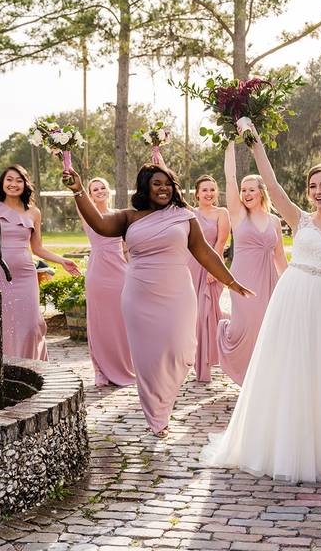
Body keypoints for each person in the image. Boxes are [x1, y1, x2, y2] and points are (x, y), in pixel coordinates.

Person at [201, 120, 321, 482]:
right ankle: (277, 442)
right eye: (313, 186)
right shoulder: (298, 220)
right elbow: (271, 183)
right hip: (289, 298)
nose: (318, 191)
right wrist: (253, 139)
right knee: (284, 367)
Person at [63, 163, 253, 438]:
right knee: (147, 359)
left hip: (177, 294)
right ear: (145, 187)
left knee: (180, 351)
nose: (163, 188)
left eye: (167, 183)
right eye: (156, 183)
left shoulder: (184, 216)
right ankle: (157, 417)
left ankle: (163, 405)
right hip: (139, 296)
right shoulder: (129, 217)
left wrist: (231, 282)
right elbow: (101, 225)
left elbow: (206, 253)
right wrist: (79, 190)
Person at [0, 140, 80, 361]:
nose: (13, 184)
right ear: (2, 184)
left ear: (25, 185)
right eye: (9, 180)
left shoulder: (34, 213)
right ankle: (6, 367)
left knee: (31, 325)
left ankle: (32, 366)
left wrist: (62, 261)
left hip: (26, 276)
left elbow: (37, 248)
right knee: (3, 323)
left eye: (18, 180)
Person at [217, 144, 287, 385]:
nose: (246, 194)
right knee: (244, 327)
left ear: (261, 193)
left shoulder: (274, 221)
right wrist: (228, 146)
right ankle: (239, 365)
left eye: (251, 190)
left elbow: (280, 258)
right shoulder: (237, 215)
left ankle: (259, 380)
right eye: (244, 190)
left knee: (265, 329)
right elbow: (229, 179)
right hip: (242, 281)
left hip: (269, 281)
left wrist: (290, 286)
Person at [81, 177, 135, 387]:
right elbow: (78, 195)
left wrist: (133, 269)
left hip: (120, 272)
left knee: (121, 321)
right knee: (98, 321)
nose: (100, 191)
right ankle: (100, 370)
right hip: (97, 272)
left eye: (103, 187)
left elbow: (127, 246)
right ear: (90, 194)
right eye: (95, 189)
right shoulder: (87, 213)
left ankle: (124, 365)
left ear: (109, 190)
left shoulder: (120, 215)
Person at [189, 175, 231, 382]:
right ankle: (197, 364)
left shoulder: (222, 213)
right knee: (193, 316)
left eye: (212, 189)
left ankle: (207, 364)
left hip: (212, 267)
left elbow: (221, 242)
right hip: (191, 267)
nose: (209, 193)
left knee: (206, 314)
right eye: (204, 190)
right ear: (197, 193)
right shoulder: (190, 213)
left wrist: (213, 269)